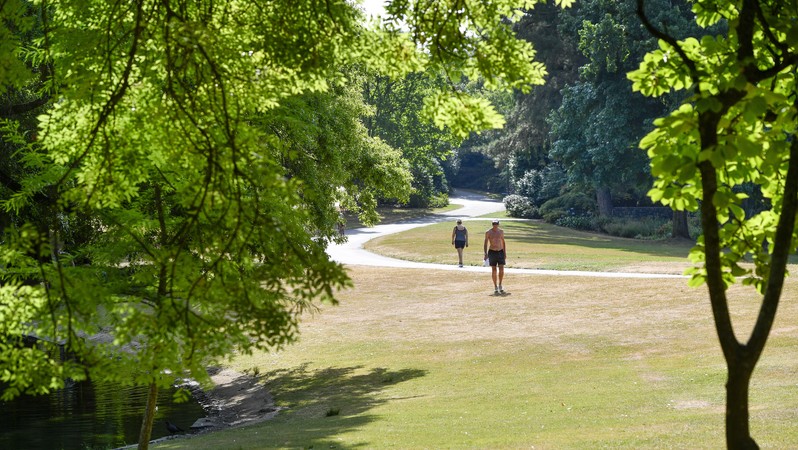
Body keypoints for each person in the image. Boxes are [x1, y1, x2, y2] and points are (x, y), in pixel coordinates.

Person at [483, 219, 506, 294]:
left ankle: (500, 285)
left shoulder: (501, 232)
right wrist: (485, 254)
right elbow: (486, 243)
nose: (495, 225)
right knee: (494, 270)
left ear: (498, 224)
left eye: (496, 223)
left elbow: (503, 242)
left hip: (500, 251)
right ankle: (495, 286)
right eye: (493, 224)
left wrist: (504, 253)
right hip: (492, 252)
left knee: (501, 269)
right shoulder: (488, 232)